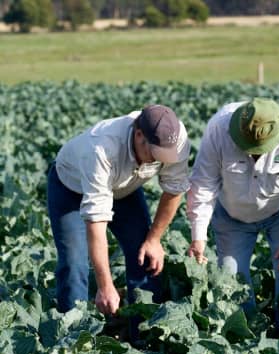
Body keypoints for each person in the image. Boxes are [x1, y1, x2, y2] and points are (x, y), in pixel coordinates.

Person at [187, 97, 279, 334]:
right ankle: (245, 337)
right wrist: (198, 236)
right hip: (232, 216)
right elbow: (203, 184)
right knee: (231, 281)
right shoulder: (219, 129)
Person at [47, 104, 190, 318]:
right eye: (155, 153)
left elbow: (174, 190)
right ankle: (72, 338)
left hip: (124, 189)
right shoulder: (101, 149)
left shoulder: (175, 139)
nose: (160, 160)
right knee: (74, 263)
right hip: (70, 189)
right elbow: (96, 223)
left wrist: (154, 239)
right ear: (139, 134)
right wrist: (105, 285)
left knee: (145, 254)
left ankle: (143, 335)